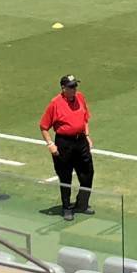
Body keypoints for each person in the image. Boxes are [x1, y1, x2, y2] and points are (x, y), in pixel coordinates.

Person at [40, 73, 94, 218]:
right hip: (64, 143)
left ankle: (82, 203)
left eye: (75, 85)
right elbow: (44, 126)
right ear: (63, 88)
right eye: (71, 87)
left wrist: (87, 135)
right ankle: (66, 207)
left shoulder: (80, 98)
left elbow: (85, 118)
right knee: (65, 176)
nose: (74, 89)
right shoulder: (55, 103)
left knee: (88, 173)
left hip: (80, 141)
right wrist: (50, 143)